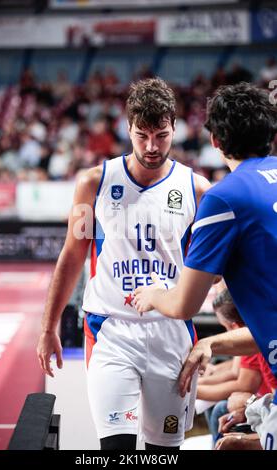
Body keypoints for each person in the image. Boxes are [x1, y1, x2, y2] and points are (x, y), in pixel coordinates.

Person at [37, 77, 211, 450]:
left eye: (161, 135)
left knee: (163, 453)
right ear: (127, 128)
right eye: (141, 135)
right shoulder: (94, 183)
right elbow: (72, 255)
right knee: (116, 451)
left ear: (175, 128)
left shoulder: (198, 190)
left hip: (172, 334)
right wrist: (49, 325)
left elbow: (212, 269)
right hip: (111, 330)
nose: (151, 146)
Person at [133, 82, 277, 450]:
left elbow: (184, 303)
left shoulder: (224, 198)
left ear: (214, 140)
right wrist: (214, 342)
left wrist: (153, 295)